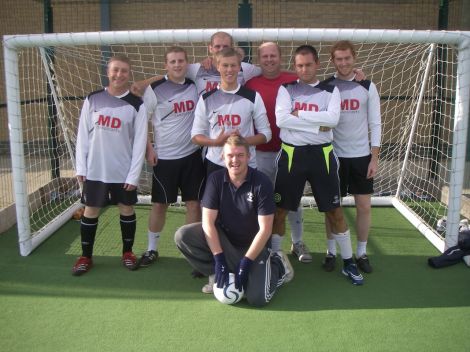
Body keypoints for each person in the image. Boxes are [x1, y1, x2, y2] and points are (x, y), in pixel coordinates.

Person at [273, 44, 364, 285]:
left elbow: (332, 120)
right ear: (295, 67)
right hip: (292, 155)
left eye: (309, 64)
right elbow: (281, 119)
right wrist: (317, 123)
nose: (304, 69)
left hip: (322, 156)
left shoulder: (330, 90)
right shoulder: (286, 88)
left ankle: (348, 262)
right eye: (300, 65)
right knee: (280, 210)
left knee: (334, 211)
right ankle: (274, 259)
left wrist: (298, 116)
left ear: (318, 64)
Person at [174, 135, 293, 306]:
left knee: (258, 299)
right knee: (183, 235)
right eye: (230, 155)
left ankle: (278, 266)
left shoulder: (261, 182)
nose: (235, 160)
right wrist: (219, 259)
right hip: (226, 244)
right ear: (223, 157)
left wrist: (246, 263)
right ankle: (219, 272)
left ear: (248, 157)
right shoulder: (215, 179)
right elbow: (208, 223)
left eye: (240, 155)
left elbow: (265, 230)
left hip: (255, 247)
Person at [72, 55, 148, 276]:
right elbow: (82, 137)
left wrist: (134, 176)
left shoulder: (137, 104)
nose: (119, 75)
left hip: (122, 171)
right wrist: (81, 168)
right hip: (95, 170)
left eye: (124, 71)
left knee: (126, 209)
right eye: (115, 70)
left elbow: (140, 142)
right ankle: (86, 256)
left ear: (129, 74)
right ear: (108, 72)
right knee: (91, 211)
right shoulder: (93, 99)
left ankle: (127, 253)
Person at [137, 46, 205, 268]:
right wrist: (149, 148)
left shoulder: (195, 85)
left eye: (181, 61)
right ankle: (151, 248)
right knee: (160, 205)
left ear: (187, 63)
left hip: (192, 156)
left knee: (194, 204)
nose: (177, 65)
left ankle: (192, 251)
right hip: (164, 157)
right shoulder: (155, 88)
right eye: (173, 61)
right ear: (166, 65)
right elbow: (141, 121)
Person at [244, 42, 311, 263]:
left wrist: (357, 76)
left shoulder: (295, 80)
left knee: (293, 200)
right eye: (265, 56)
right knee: (262, 199)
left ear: (280, 57)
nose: (269, 59)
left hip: (290, 151)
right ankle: (263, 245)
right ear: (259, 59)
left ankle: (298, 241)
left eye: (273, 55)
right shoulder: (250, 84)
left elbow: (323, 86)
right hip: (259, 153)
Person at [322, 40, 381, 273]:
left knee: (364, 207)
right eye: (339, 59)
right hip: (333, 156)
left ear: (354, 57)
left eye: (347, 58)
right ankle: (330, 251)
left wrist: (374, 158)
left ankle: (361, 252)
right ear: (333, 60)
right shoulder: (326, 86)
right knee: (331, 207)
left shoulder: (367, 86)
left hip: (360, 157)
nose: (344, 63)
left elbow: (376, 124)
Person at [191, 47, 271, 176]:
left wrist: (243, 141)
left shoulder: (253, 96)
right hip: (216, 164)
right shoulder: (206, 98)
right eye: (225, 65)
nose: (229, 70)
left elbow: (266, 135)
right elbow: (195, 137)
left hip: (246, 164)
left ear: (239, 67)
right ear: (218, 67)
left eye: (233, 65)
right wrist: (216, 142)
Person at [131, 31, 261, 97]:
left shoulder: (244, 69)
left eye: (225, 46)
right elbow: (171, 76)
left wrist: (239, 56)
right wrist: (143, 84)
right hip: (207, 131)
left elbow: (266, 72)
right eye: (217, 46)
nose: (221, 49)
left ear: (231, 47)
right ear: (210, 48)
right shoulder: (198, 69)